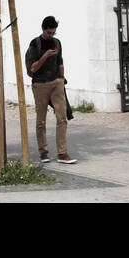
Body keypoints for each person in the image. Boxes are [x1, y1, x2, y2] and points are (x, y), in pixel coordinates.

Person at [24, 15, 76, 164]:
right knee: (41, 120)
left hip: (56, 83)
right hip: (40, 84)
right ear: (43, 30)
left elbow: (60, 62)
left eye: (54, 33)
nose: (51, 35)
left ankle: (62, 153)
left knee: (62, 118)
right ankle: (43, 152)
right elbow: (32, 69)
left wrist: (61, 79)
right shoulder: (35, 44)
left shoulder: (57, 43)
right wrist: (45, 56)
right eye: (49, 33)